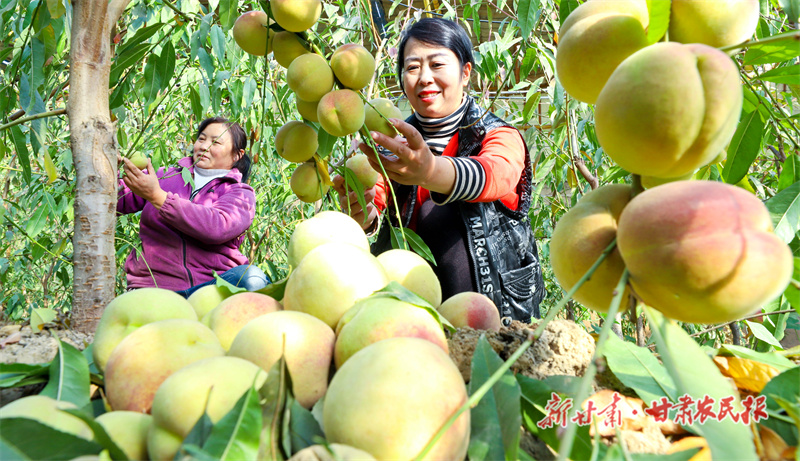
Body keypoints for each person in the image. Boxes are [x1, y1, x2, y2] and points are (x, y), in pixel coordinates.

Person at [333, 18, 545, 321]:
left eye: (437, 64)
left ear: (466, 72)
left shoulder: (497, 135)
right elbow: (376, 207)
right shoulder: (392, 146)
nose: (424, 78)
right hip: (411, 318)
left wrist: (429, 171)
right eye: (412, 67)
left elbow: (493, 175)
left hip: (492, 321)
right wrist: (360, 214)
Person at [117, 116, 269, 298]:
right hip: (153, 287)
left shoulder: (241, 193)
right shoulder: (162, 177)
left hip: (210, 288)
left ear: (237, 155)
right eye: (202, 139)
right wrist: (110, 172)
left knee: (253, 278)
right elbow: (115, 200)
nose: (204, 146)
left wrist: (157, 197)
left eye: (216, 142)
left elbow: (217, 226)